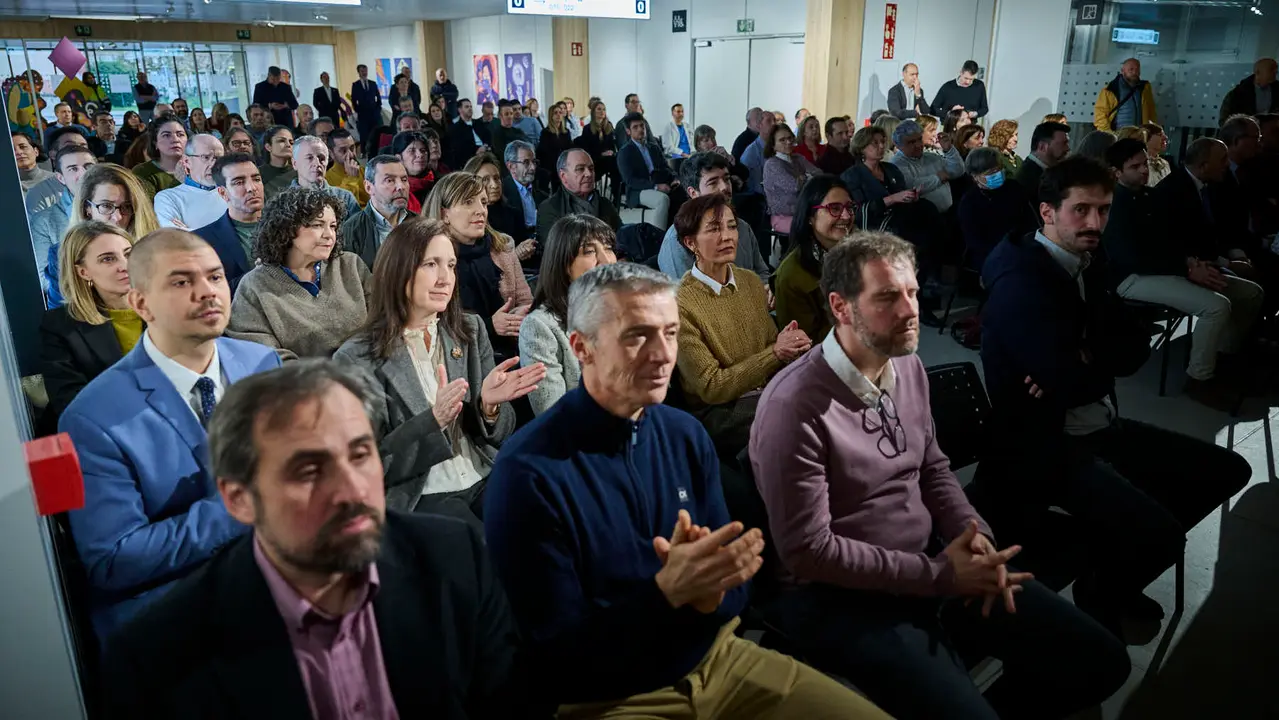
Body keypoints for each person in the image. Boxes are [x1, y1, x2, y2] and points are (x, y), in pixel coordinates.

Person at [485, 261, 889, 718]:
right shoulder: (527, 473)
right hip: (612, 697)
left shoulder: (684, 435)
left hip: (719, 659)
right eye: (637, 336)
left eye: (671, 333)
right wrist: (666, 594)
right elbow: (555, 655)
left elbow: (736, 595)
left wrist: (713, 592)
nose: (663, 355)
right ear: (582, 348)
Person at [753, 231, 1131, 720]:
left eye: (912, 292)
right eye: (888, 297)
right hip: (845, 596)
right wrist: (939, 576)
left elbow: (932, 467)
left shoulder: (907, 366)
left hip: (931, 559)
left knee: (1102, 663)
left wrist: (973, 534)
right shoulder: (793, 406)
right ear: (840, 307)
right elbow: (808, 552)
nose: (910, 310)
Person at [101, 359, 525, 719]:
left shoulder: (456, 559)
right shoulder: (157, 659)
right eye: (308, 471)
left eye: (360, 454)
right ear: (239, 499)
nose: (351, 490)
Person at [980, 156, 1251, 636]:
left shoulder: (1089, 259)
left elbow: (1133, 347)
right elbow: (1072, 378)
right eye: (1081, 210)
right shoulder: (1022, 281)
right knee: (1160, 534)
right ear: (1047, 212)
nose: (1094, 222)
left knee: (1228, 471)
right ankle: (1104, 591)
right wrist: (1085, 363)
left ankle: (1112, 569)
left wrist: (1087, 359)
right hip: (1046, 443)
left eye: (1103, 210)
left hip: (1098, 421)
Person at [61, 229, 282, 644]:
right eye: (181, 282)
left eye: (215, 277)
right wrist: (239, 509)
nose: (207, 292)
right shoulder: (90, 417)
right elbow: (113, 559)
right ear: (141, 303)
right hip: (179, 613)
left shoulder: (261, 362)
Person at [336, 217, 544, 519]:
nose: (445, 278)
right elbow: (368, 463)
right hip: (421, 492)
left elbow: (500, 435)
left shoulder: (470, 330)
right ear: (398, 270)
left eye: (451, 265)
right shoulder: (356, 357)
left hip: (485, 474)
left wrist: (489, 408)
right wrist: (432, 422)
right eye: (431, 264)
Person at [1103, 138, 1262, 409]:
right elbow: (1132, 257)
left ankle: (1221, 357)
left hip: (1168, 268)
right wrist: (1187, 269)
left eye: (1145, 164)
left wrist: (1193, 262)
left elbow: (1172, 239)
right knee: (1216, 306)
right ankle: (1199, 379)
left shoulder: (1151, 196)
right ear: (1117, 172)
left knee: (1250, 293)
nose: (1144, 170)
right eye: (1135, 167)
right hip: (1131, 278)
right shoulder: (1113, 204)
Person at [673, 193, 809, 452]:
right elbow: (711, 388)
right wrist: (775, 353)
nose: (727, 236)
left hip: (763, 393)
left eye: (732, 226)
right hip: (721, 413)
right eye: (714, 229)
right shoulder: (680, 305)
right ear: (691, 243)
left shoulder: (749, 282)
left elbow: (770, 346)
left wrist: (790, 346)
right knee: (797, 420)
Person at [227, 187, 369, 360]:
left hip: (370, 369)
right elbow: (265, 358)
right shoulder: (254, 286)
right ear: (287, 228)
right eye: (317, 225)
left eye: (333, 226)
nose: (329, 235)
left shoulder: (350, 265)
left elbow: (385, 322)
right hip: (305, 377)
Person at [423, 172, 533, 359]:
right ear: (444, 214)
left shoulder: (503, 248)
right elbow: (430, 323)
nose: (481, 210)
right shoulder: (427, 260)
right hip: (453, 359)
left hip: (511, 352)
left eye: (483, 202)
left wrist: (520, 315)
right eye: (468, 202)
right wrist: (489, 326)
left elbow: (525, 301)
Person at [39, 222, 138, 427]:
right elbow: (71, 402)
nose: (125, 265)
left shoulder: (168, 307)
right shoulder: (60, 326)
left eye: (128, 254)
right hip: (106, 431)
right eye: (108, 259)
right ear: (83, 272)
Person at [520, 215, 618, 415]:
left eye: (608, 248)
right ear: (564, 264)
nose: (607, 260)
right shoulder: (540, 326)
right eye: (589, 252)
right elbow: (554, 416)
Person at [47, 164, 161, 308]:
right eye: (106, 206)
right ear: (87, 208)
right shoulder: (62, 254)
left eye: (126, 206)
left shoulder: (155, 247)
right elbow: (61, 313)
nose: (118, 217)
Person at [659, 151, 771, 282]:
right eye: (713, 183)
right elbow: (684, 292)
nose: (724, 187)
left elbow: (762, 273)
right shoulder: (677, 240)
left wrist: (765, 288)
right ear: (693, 193)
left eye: (727, 179)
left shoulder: (742, 227)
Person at [774, 175, 856, 341]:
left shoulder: (861, 251)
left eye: (850, 207)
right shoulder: (792, 275)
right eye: (834, 208)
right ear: (810, 217)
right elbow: (804, 343)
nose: (846, 216)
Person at [30, 145, 96, 296]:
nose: (83, 173)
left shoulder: (118, 208)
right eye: (73, 169)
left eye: (89, 167)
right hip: (75, 299)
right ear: (60, 178)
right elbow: (45, 279)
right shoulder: (44, 221)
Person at [959, 147, 1039, 273]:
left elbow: (1030, 221)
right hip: (989, 258)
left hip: (1021, 249)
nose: (998, 174)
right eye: (991, 172)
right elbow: (975, 241)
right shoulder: (969, 202)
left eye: (999, 168)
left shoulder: (1014, 188)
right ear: (975, 176)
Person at [193, 153, 263, 293]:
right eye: (239, 182)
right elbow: (211, 291)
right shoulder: (202, 240)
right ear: (223, 193)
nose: (252, 188)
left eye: (256, 179)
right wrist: (261, 273)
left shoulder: (287, 227)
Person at [341, 155, 414, 270]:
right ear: (368, 187)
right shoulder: (350, 232)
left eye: (404, 180)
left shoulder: (420, 225)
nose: (401, 187)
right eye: (389, 180)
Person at [539, 148, 623, 241]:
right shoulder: (550, 208)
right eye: (580, 169)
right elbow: (553, 247)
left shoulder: (605, 204)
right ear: (563, 176)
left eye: (591, 168)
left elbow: (622, 237)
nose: (588, 174)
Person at [888, 119, 965, 214]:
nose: (918, 145)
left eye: (919, 139)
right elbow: (910, 187)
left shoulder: (932, 157)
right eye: (911, 142)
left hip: (948, 213)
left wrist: (949, 150)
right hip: (920, 218)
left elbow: (958, 171)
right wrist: (938, 178)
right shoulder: (896, 163)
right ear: (899, 145)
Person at [153, 134, 227, 231]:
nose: (214, 164)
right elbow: (173, 235)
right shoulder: (168, 198)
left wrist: (191, 232)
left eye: (219, 159)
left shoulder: (232, 192)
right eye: (206, 157)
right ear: (186, 161)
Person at [617, 112, 676, 230]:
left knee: (681, 194)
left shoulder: (653, 147)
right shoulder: (625, 152)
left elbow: (666, 167)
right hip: (638, 191)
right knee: (662, 199)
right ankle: (658, 235)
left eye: (642, 126)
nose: (640, 129)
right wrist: (656, 187)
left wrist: (675, 179)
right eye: (635, 127)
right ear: (628, 131)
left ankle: (676, 232)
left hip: (660, 183)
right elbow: (630, 180)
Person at [278, 136, 361, 219]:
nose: (317, 163)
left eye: (322, 158)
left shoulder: (345, 198)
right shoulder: (282, 202)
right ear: (294, 163)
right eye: (309, 158)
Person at [27, 126, 91, 214]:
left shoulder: (102, 182)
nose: (79, 150)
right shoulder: (39, 193)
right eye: (70, 146)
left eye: (83, 146)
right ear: (53, 154)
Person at [502, 140, 546, 258]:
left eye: (534, 162)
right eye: (526, 162)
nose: (533, 167)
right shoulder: (502, 193)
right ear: (511, 166)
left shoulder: (542, 194)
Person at [1016, 121, 1071, 205]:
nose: (1068, 148)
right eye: (1064, 143)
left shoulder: (1041, 172)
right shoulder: (1029, 179)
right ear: (1042, 146)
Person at [1094, 58, 1157, 131]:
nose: (1134, 72)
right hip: (1118, 134)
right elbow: (1100, 115)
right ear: (1122, 71)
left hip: (1140, 134)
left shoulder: (1144, 88)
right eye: (1131, 69)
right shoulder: (1110, 90)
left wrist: (1151, 131)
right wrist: (1110, 134)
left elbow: (1151, 112)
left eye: (1137, 70)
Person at [132, 116, 187, 199]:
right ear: (155, 142)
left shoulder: (199, 167)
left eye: (180, 134)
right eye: (166, 135)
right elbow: (148, 206)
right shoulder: (143, 172)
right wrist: (180, 180)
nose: (175, 139)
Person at [1219, 58, 1278, 126]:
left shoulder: (1277, 90)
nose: (1275, 72)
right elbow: (1224, 120)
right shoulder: (1237, 93)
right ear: (1257, 72)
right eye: (1271, 69)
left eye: (1276, 69)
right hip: (1245, 131)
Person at [572, 100, 618, 186]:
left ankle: (615, 191)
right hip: (594, 159)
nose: (602, 112)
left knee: (616, 164)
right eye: (599, 109)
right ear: (593, 112)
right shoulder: (587, 128)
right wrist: (601, 154)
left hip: (608, 158)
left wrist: (611, 151)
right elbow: (588, 149)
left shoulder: (609, 126)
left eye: (604, 109)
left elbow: (611, 144)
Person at [324, 128, 368, 207]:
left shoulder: (365, 171)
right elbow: (345, 207)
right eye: (343, 151)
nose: (350, 154)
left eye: (352, 148)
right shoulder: (327, 180)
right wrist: (351, 179)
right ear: (331, 153)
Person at [538, 102, 575, 190]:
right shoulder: (546, 132)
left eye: (560, 113)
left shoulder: (566, 132)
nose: (558, 115)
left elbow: (569, 148)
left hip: (563, 162)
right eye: (555, 113)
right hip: (550, 164)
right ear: (551, 116)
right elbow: (545, 152)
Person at [448, 98, 493, 169]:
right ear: (460, 110)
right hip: (469, 159)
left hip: (486, 152)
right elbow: (459, 148)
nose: (470, 109)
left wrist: (485, 146)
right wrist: (477, 150)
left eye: (471, 106)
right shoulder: (455, 128)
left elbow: (488, 136)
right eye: (467, 107)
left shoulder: (478, 123)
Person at [739, 109, 776, 196]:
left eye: (775, 120)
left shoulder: (777, 147)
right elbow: (756, 187)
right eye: (769, 121)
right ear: (759, 126)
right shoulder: (751, 152)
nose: (774, 124)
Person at [352, 63, 383, 143]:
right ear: (358, 72)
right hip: (363, 116)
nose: (364, 73)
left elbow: (378, 98)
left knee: (376, 136)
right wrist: (358, 111)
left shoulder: (373, 84)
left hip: (374, 114)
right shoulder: (355, 85)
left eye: (365, 71)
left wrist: (378, 109)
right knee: (364, 137)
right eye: (362, 71)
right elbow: (354, 100)